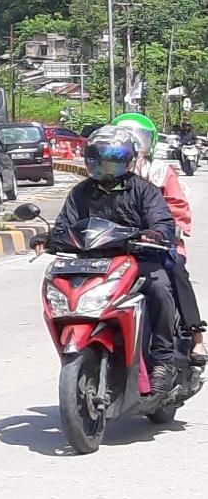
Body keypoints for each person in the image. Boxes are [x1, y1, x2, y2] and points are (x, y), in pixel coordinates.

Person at [32, 126, 181, 393]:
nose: (106, 167)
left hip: (135, 260)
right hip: (91, 263)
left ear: (129, 160)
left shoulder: (144, 191)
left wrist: (154, 234)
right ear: (90, 162)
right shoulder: (81, 193)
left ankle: (162, 361)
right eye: (100, 161)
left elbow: (162, 221)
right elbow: (66, 225)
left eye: (113, 160)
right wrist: (48, 238)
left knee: (160, 287)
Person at [115, 113, 205, 363]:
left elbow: (178, 208)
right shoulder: (108, 173)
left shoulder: (159, 172)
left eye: (139, 138)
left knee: (175, 271)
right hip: (118, 246)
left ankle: (196, 336)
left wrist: (161, 230)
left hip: (159, 245)